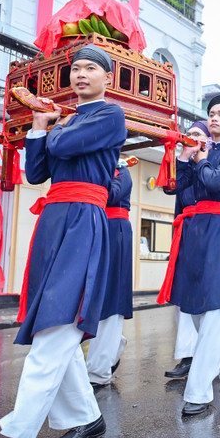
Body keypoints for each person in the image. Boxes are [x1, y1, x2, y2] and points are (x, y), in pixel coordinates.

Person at [0, 44, 127, 438]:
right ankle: (89, 418)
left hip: (83, 221)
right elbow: (36, 172)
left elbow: (65, 146)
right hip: (54, 220)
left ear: (107, 79)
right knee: (52, 329)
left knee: (55, 330)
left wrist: (47, 126)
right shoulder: (68, 118)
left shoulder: (108, 114)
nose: (80, 74)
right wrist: (39, 129)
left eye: (91, 68)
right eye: (75, 68)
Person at [157, 93, 220, 417]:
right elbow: (178, 190)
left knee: (213, 312)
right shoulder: (201, 152)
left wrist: (200, 161)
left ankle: (198, 394)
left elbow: (215, 181)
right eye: (211, 113)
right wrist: (186, 158)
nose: (213, 118)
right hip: (195, 234)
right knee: (198, 312)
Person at [163, 121, 207, 380]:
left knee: (208, 304)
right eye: (188, 134)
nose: (191, 138)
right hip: (185, 235)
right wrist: (184, 157)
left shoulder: (213, 164)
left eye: (197, 134)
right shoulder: (185, 166)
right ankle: (187, 355)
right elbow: (172, 189)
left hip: (209, 235)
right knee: (182, 300)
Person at [86, 160, 133, 388]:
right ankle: (111, 349)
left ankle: (100, 369)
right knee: (95, 296)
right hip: (95, 226)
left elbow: (111, 195)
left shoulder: (122, 170)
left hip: (115, 231)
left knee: (111, 298)